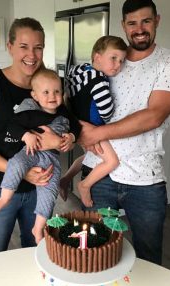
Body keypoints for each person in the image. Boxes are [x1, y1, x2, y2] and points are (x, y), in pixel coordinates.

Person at [78, 0, 170, 265]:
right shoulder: (111, 58)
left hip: (144, 178)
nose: (139, 29)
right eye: (132, 23)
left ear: (157, 21)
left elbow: (154, 115)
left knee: (148, 258)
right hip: (98, 174)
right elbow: (77, 98)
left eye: (146, 21)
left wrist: (97, 133)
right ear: (123, 25)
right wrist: (80, 130)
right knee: (94, 253)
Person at [0, 18, 66, 257]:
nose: (32, 54)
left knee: (37, 257)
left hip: (39, 190)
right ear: (9, 47)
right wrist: (18, 170)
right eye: (23, 46)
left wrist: (63, 140)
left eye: (38, 47)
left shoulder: (50, 86)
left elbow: (63, 126)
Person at [0, 69, 81, 244]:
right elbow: (12, 126)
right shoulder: (30, 111)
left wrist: (72, 137)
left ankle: (38, 228)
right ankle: (4, 197)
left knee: (50, 192)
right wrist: (26, 135)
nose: (52, 96)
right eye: (46, 92)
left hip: (51, 160)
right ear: (35, 96)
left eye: (57, 91)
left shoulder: (62, 111)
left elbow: (76, 126)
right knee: (16, 163)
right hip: (30, 153)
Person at [59, 35, 127, 207]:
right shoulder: (99, 81)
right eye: (113, 58)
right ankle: (84, 185)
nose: (118, 65)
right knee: (111, 161)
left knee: (88, 156)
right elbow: (107, 112)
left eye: (121, 60)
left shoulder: (79, 71)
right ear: (97, 56)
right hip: (94, 129)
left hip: (77, 126)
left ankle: (66, 179)